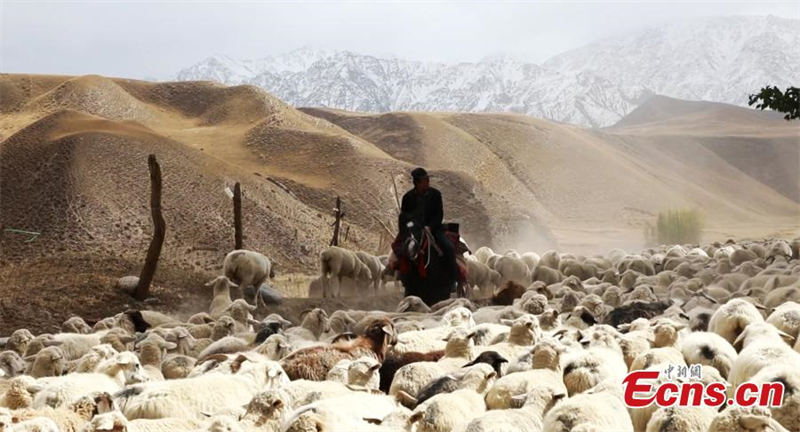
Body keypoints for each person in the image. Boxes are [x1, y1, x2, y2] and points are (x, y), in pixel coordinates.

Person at [399, 167, 457, 286]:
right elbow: (404, 218)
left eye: (428, 179)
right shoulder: (407, 198)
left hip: (434, 229)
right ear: (417, 182)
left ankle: (451, 281)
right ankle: (403, 278)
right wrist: (409, 228)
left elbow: (439, 214)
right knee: (402, 250)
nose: (428, 181)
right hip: (414, 229)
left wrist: (430, 226)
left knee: (449, 248)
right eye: (425, 179)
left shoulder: (435, 194)